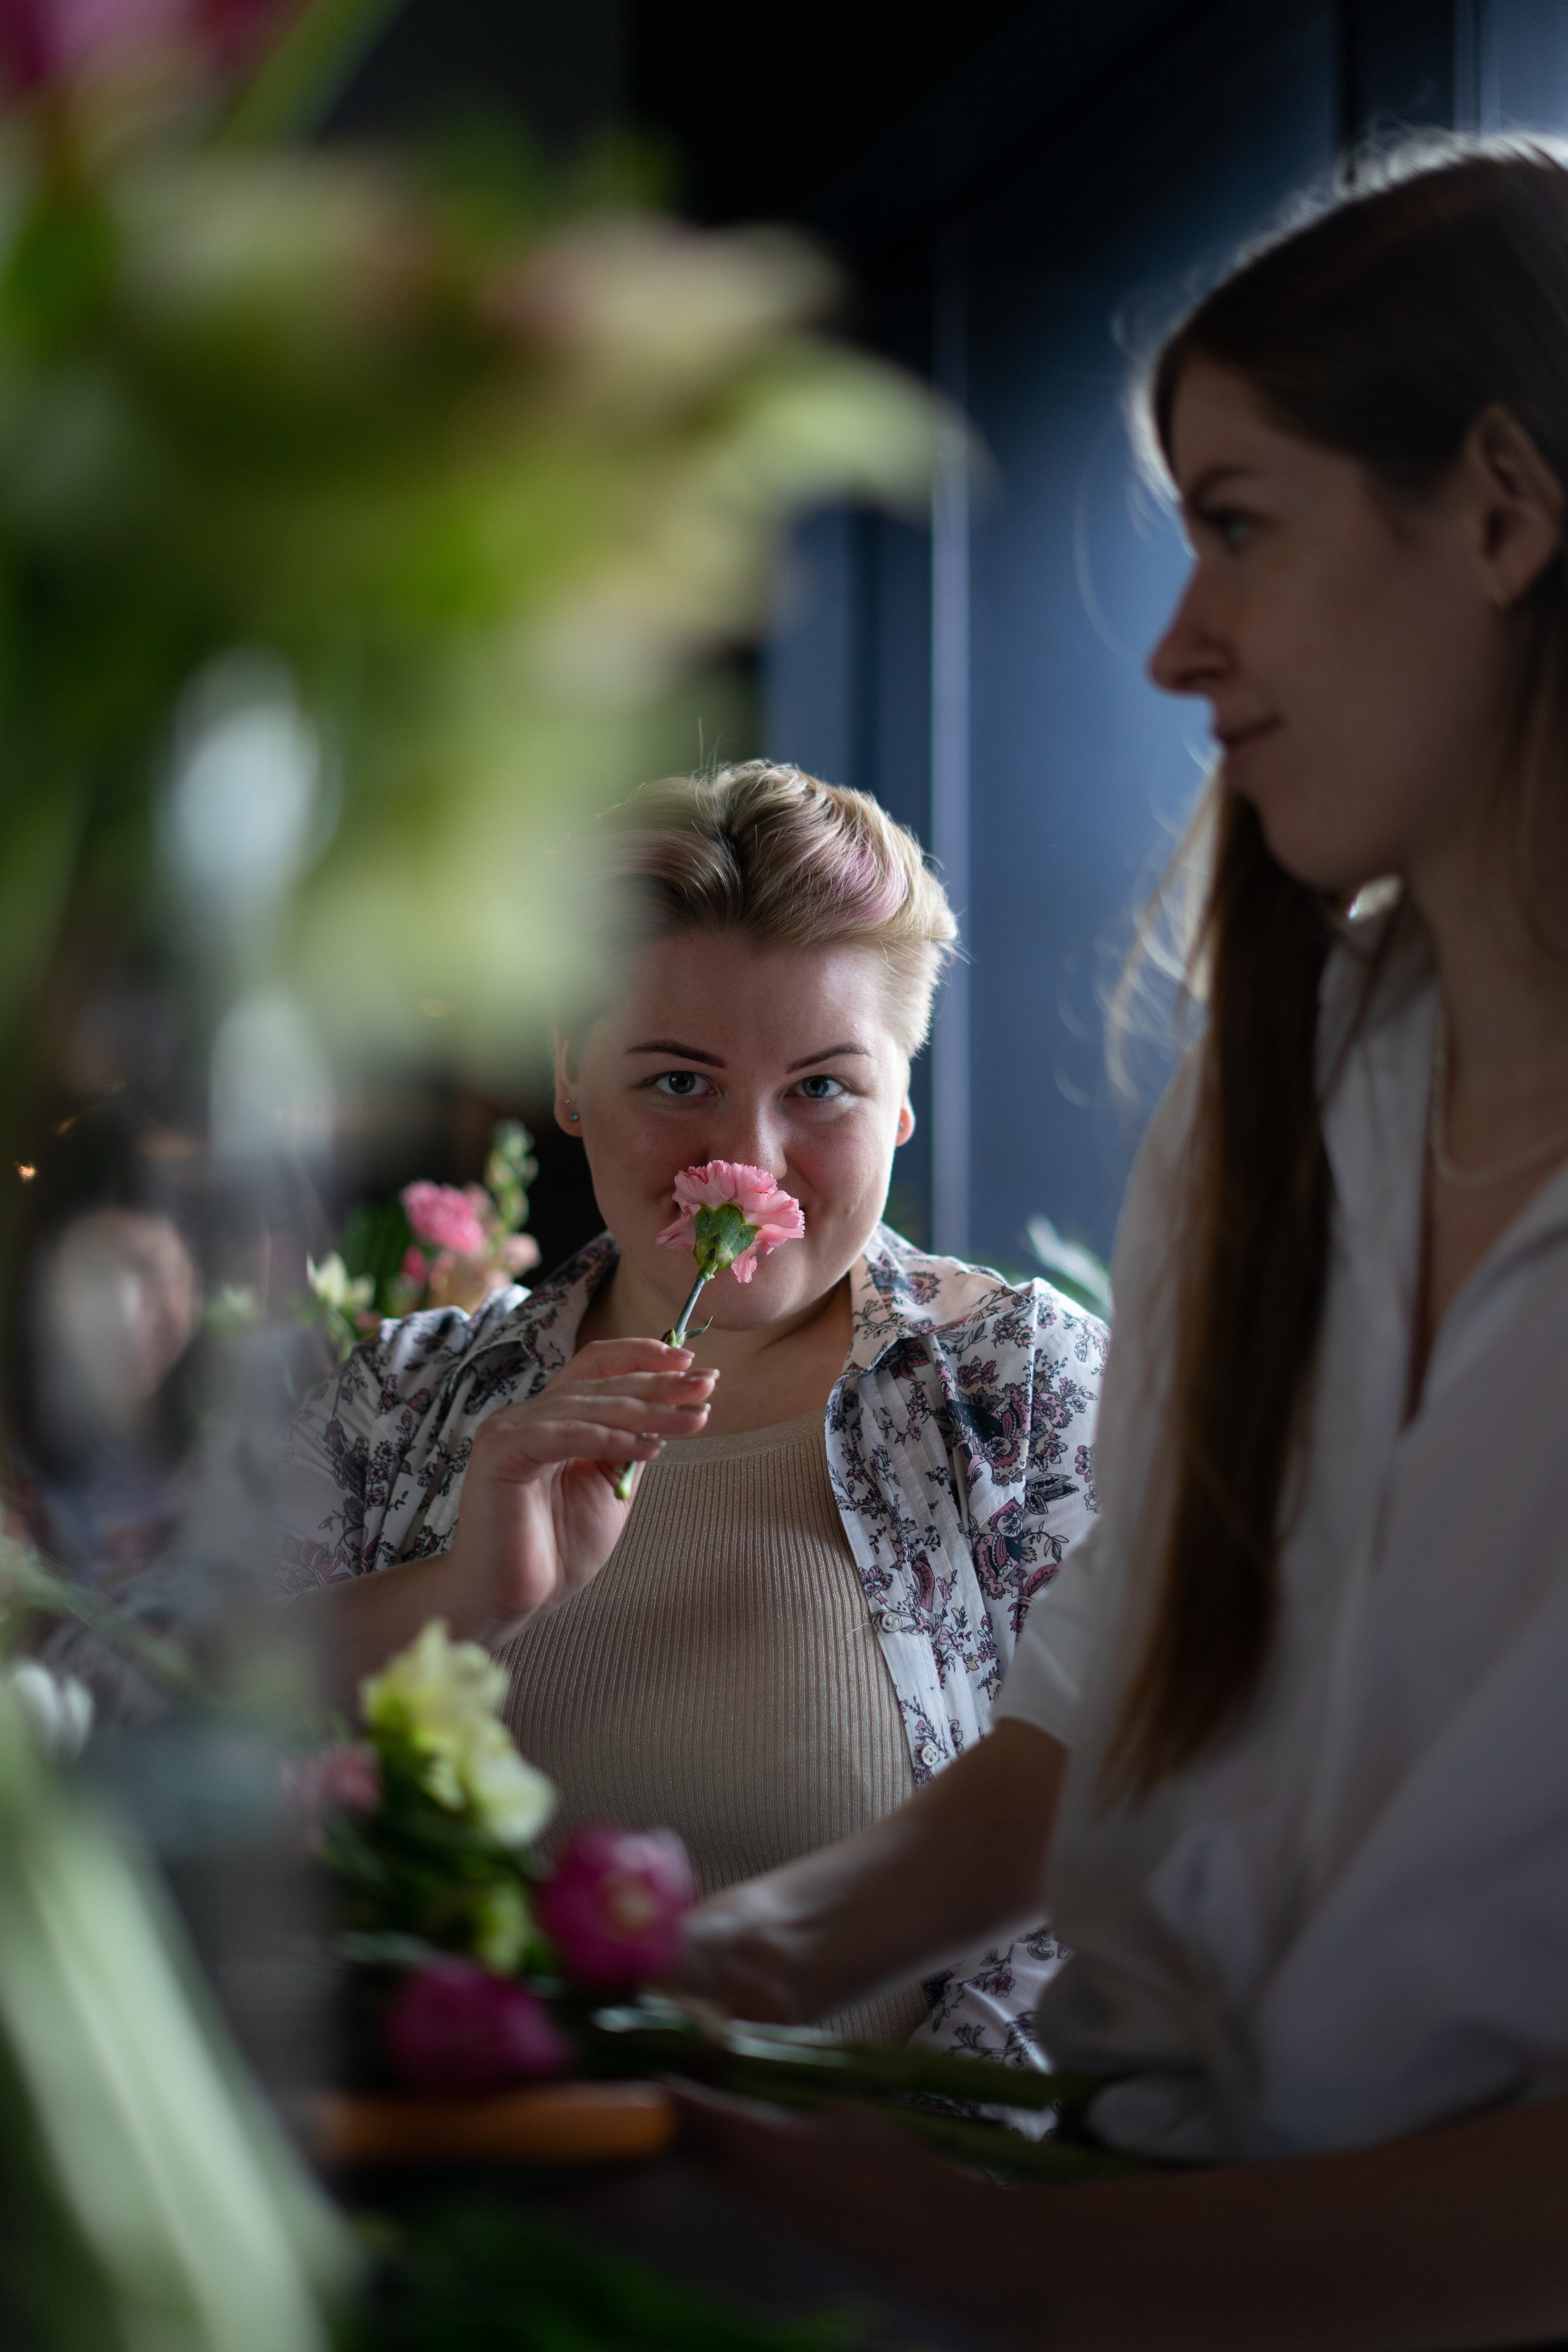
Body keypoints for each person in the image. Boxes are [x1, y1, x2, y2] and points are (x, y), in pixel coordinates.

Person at [666, 140, 1568, 2346]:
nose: (1179, 645)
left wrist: (1037, 2264)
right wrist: (701, 1975)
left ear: (1503, 509)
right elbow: (1095, 1715)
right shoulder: (1288, 1094)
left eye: (1238, 526)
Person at [280, 763, 1106, 2050]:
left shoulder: (1023, 1392)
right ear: (567, 1076)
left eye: (822, 1088)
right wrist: (460, 1598)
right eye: (676, 1082)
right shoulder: (401, 1396)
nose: (745, 1163)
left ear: (901, 1103)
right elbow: (118, 1715)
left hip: (877, 2213)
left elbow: (1130, 1854)